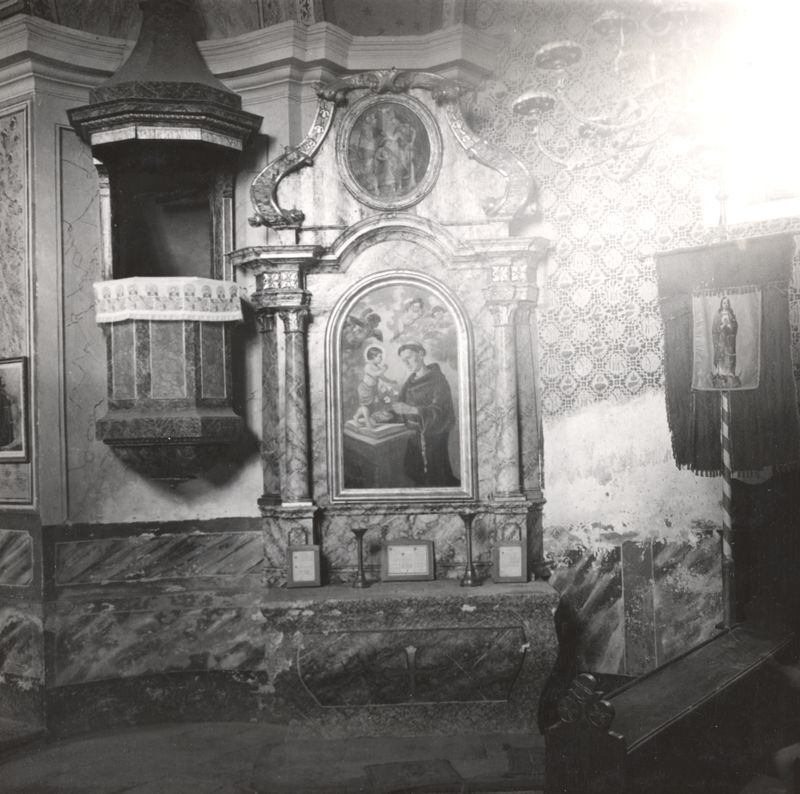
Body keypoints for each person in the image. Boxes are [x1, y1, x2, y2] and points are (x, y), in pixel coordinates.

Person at [391, 342, 460, 487]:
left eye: (409, 357)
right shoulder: (410, 380)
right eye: (403, 360)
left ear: (421, 354)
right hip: (415, 434)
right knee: (412, 469)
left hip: (434, 435)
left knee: (436, 475)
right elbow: (400, 404)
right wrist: (387, 414)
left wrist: (412, 410)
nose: (406, 363)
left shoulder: (438, 380)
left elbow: (439, 411)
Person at [353, 345, 397, 428]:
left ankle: (356, 417)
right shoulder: (368, 366)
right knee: (365, 405)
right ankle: (367, 422)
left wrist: (391, 381)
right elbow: (375, 374)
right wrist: (383, 369)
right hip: (365, 388)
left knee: (368, 406)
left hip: (372, 389)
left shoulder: (378, 367)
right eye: (379, 356)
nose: (381, 359)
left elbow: (382, 377)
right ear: (373, 357)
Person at [712, 295, 738, 383]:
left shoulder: (731, 314)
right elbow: (715, 328)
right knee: (721, 355)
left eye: (727, 303)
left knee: (729, 355)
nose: (725, 304)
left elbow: (735, 327)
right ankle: (721, 373)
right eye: (724, 303)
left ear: (729, 304)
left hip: (729, 340)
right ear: (721, 304)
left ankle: (729, 373)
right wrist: (723, 326)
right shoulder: (718, 315)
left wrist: (729, 326)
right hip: (721, 340)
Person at [0, 376, 16, 449]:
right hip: (3, 412)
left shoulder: (3, 392)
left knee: (6, 426)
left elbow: (9, 400)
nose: (3, 381)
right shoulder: (2, 392)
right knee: (3, 426)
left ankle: (5, 441)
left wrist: (10, 401)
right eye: (1, 380)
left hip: (6, 411)